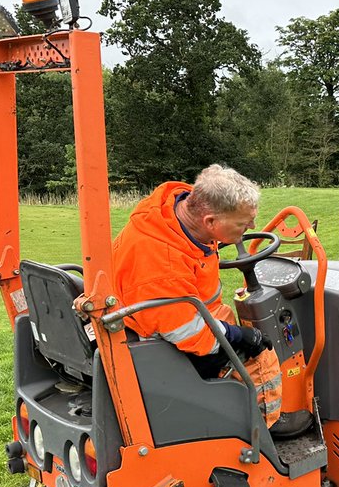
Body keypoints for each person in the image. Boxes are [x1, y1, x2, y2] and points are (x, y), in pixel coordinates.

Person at [112, 163, 282, 423]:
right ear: (211, 222)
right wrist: (241, 335)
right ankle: (263, 430)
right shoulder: (163, 265)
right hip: (160, 344)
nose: (251, 226)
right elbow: (190, 333)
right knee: (261, 354)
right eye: (243, 224)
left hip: (168, 317)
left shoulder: (175, 213)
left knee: (236, 327)